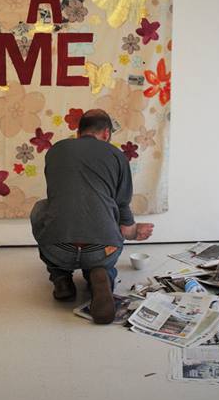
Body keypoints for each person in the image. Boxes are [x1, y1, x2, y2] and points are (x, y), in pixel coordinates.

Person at [30, 109, 154, 324]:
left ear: (78, 132)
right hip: (102, 250)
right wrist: (135, 232)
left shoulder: (56, 151)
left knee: (41, 207)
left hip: (58, 248)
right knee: (108, 215)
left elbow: (61, 199)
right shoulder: (117, 156)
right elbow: (124, 220)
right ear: (106, 133)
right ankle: (101, 274)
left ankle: (61, 278)